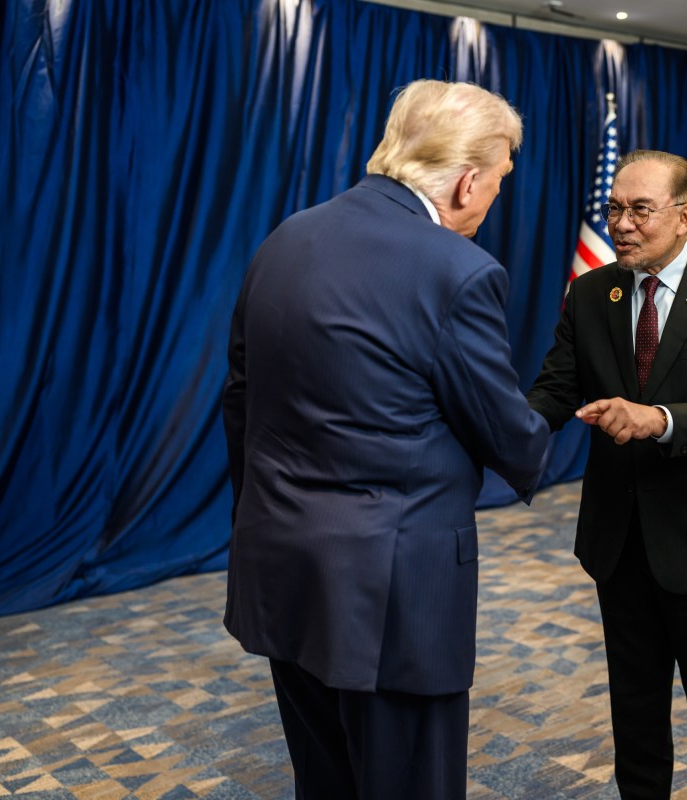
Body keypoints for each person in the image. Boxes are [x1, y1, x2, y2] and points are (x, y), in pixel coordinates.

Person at [221, 79, 549, 799]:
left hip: (284, 566)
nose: (495, 199)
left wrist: (272, 513)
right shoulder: (456, 271)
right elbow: (512, 441)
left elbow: (241, 401)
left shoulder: (286, 238)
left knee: (325, 779)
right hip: (393, 597)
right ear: (467, 182)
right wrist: (551, 416)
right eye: (498, 182)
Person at [527, 150, 687, 799]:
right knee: (635, 716)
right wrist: (499, 430)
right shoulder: (591, 292)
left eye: (640, 209)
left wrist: (659, 419)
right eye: (614, 208)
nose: (622, 224)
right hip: (618, 542)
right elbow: (554, 389)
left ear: (684, 217)